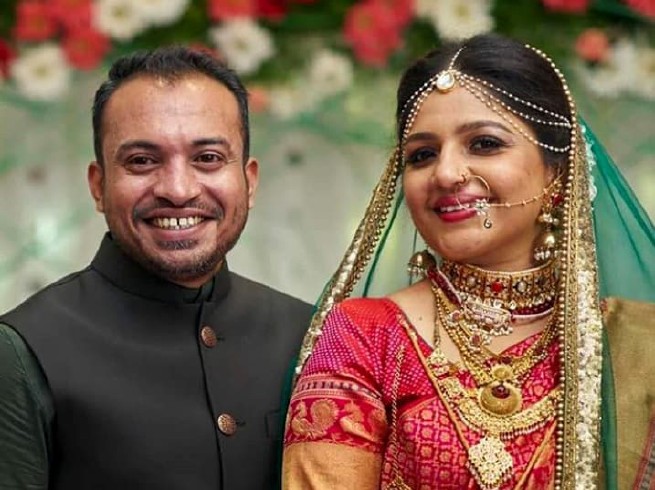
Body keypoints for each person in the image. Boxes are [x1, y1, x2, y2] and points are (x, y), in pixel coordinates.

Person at [283, 34, 655, 489]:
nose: (445, 173)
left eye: (484, 143)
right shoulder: (364, 336)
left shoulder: (637, 345)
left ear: (557, 173)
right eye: (422, 155)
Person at [0, 46, 313, 489]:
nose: (178, 190)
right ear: (98, 186)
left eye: (207, 158)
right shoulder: (23, 350)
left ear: (250, 181)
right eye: (142, 161)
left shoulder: (311, 336)